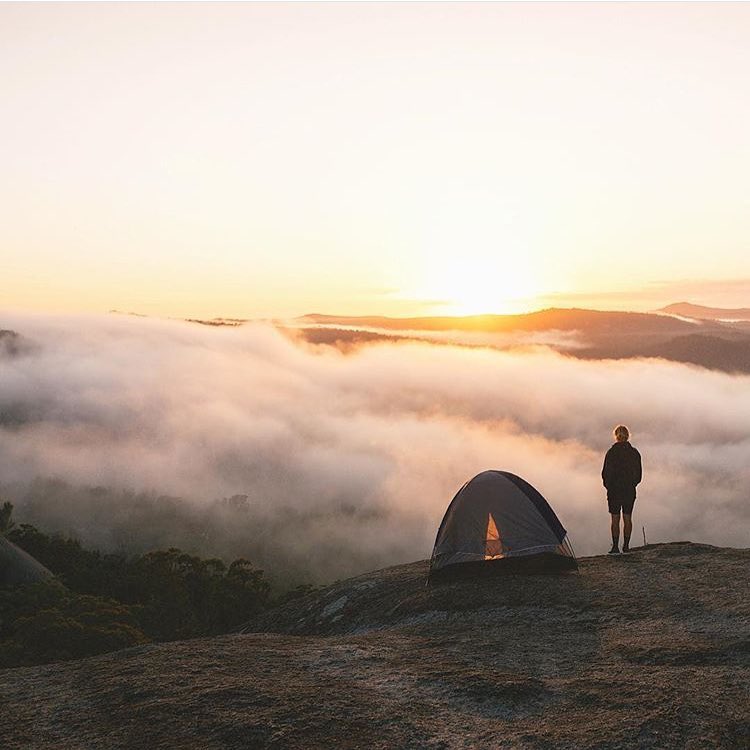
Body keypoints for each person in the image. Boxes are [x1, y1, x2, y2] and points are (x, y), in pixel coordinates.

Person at [602, 424, 642, 554]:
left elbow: (605, 473)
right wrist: (632, 484)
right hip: (629, 490)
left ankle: (615, 547)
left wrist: (609, 486)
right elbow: (639, 475)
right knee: (627, 517)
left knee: (615, 518)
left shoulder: (611, 453)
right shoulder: (634, 453)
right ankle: (626, 546)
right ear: (628, 436)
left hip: (614, 490)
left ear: (616, 436)